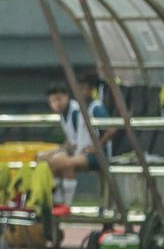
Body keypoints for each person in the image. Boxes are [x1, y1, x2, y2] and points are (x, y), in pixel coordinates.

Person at [39, 78, 115, 206]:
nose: (80, 92)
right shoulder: (74, 110)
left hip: (97, 155)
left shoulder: (92, 108)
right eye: (52, 101)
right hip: (82, 152)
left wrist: (97, 147)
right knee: (45, 159)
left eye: (83, 89)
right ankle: (56, 203)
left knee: (62, 163)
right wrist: (58, 150)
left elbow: (111, 129)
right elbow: (73, 140)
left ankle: (65, 204)